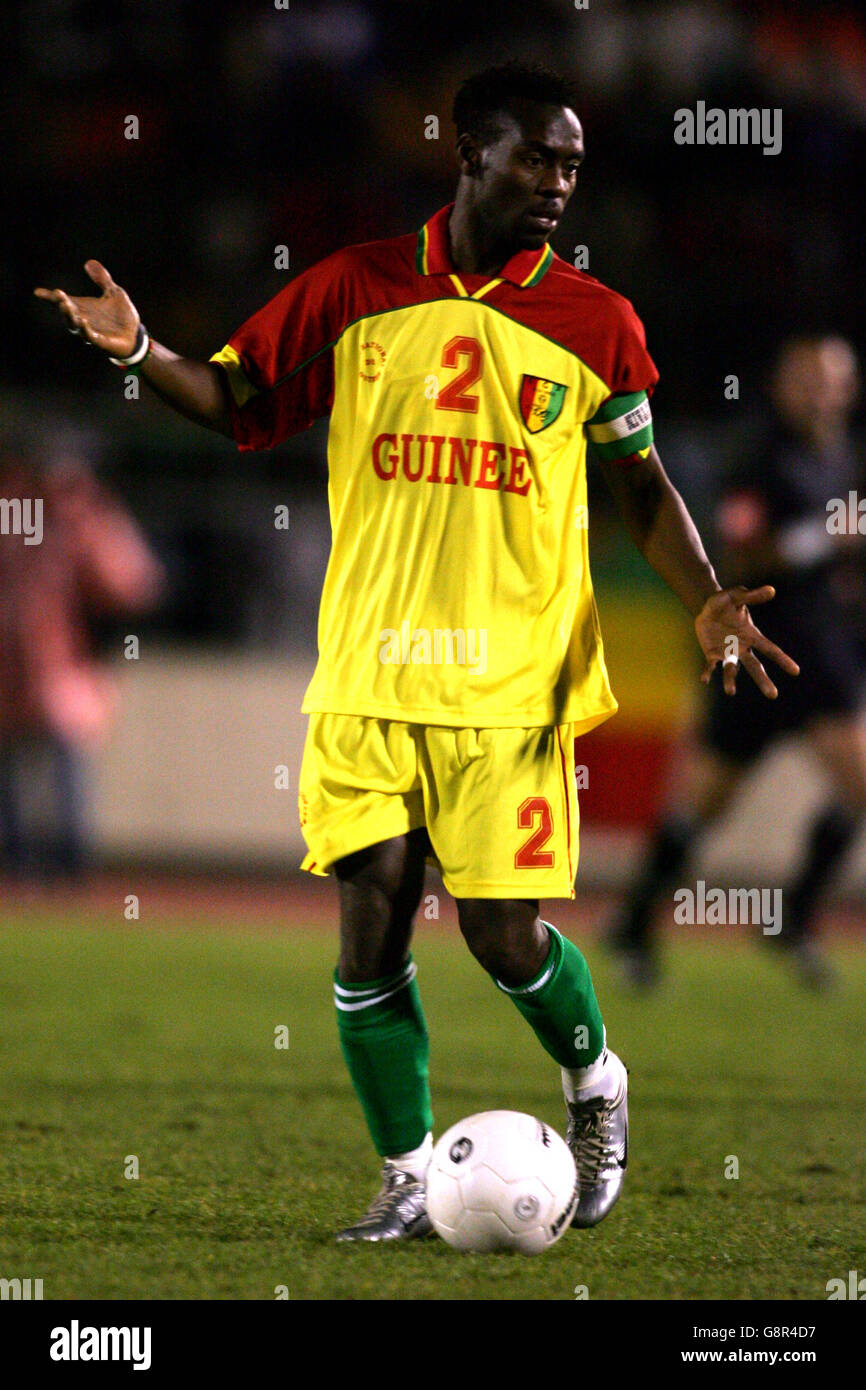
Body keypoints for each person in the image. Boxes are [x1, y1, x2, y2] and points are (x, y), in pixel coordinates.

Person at [34, 62, 797, 1241]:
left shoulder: (598, 321)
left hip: (509, 686)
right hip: (368, 674)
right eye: (535, 159)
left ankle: (595, 1083)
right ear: (468, 153)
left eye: (571, 167)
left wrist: (702, 597)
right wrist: (143, 353)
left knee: (501, 935)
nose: (556, 185)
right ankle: (402, 1174)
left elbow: (638, 482)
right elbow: (237, 401)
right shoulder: (353, 286)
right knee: (370, 927)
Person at [608, 336, 864, 990]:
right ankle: (633, 924)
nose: (820, 393)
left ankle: (792, 919)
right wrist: (823, 538)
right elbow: (740, 555)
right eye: (807, 379)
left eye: (832, 381)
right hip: (754, 654)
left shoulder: (839, 456)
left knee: (861, 784)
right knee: (702, 807)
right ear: (781, 384)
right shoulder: (756, 455)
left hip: (822, 658)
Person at [0, 448, 164, 877]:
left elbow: (134, 585)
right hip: (11, 663)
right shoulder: (13, 509)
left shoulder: (79, 516)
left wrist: (85, 516)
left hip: (61, 665)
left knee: (65, 759)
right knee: (10, 770)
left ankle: (69, 865)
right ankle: (17, 863)